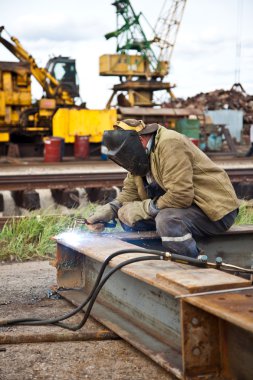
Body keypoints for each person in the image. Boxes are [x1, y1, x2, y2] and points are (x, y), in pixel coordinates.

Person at [86, 119, 239, 258]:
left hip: (214, 210)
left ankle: (192, 264)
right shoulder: (140, 156)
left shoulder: (170, 144)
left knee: (167, 220)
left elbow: (181, 195)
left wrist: (145, 208)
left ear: (139, 139)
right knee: (128, 218)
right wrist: (110, 210)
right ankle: (156, 257)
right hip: (183, 208)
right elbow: (130, 193)